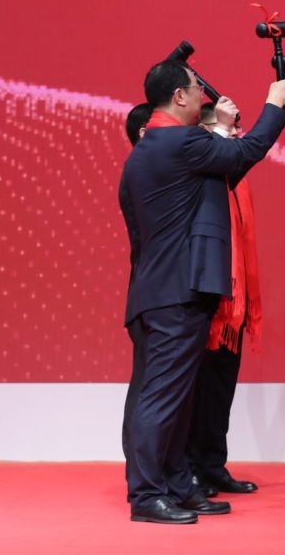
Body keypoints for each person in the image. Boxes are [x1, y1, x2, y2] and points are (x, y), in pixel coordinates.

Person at [122, 59, 285, 524]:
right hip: (174, 294)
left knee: (177, 400)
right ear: (178, 97)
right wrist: (275, 107)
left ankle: (178, 486)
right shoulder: (179, 141)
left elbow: (220, 180)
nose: (205, 95)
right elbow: (242, 154)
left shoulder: (156, 147)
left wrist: (220, 130)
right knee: (163, 399)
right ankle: (147, 495)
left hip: (164, 290)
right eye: (197, 88)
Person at [186, 105, 261, 495]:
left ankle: (212, 464)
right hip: (203, 301)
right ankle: (189, 468)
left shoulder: (232, 177)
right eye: (225, 129)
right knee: (195, 392)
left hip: (233, 305)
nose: (235, 135)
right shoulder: (200, 173)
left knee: (219, 392)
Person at [119, 102, 153, 489]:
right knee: (147, 389)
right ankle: (141, 479)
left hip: (158, 295)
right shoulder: (144, 172)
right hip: (152, 297)